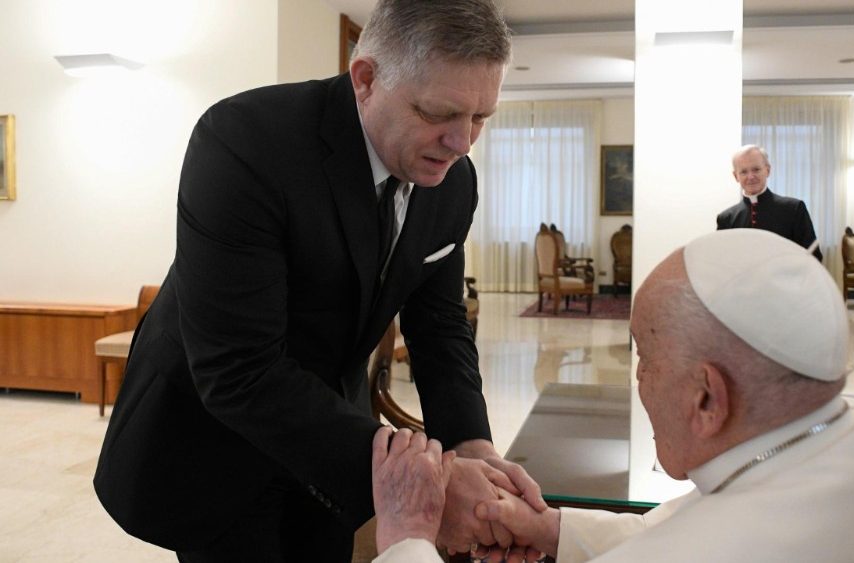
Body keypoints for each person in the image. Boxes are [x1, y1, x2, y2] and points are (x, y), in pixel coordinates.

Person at [93, 1, 545, 561]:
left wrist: (469, 443)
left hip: (335, 440)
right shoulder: (244, 141)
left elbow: (439, 325)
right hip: (213, 443)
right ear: (366, 78)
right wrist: (426, 487)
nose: (463, 143)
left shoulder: (454, 183)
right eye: (439, 113)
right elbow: (239, 369)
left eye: (481, 118)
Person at [370, 229, 854, 563]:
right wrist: (553, 530)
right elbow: (690, 525)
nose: (638, 381)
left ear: (709, 398)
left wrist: (406, 540)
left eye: (645, 357)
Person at [717, 145, 823, 261]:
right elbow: (722, 264)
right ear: (736, 176)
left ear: (767, 170)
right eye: (743, 172)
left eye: (756, 169)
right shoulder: (726, 219)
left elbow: (814, 257)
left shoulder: (794, 209)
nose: (750, 177)